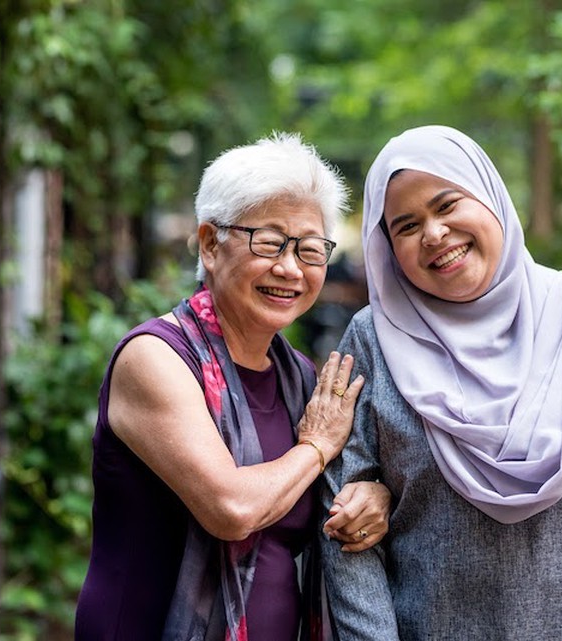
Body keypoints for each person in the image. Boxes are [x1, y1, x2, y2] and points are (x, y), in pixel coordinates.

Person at [320, 125, 562, 640]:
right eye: (406, 226)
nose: (435, 234)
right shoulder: (374, 342)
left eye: (447, 205)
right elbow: (344, 525)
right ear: (388, 249)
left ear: (490, 196)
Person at [75, 132, 391, 641]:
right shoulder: (156, 357)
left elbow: (325, 506)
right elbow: (232, 508)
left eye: (310, 250)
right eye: (268, 242)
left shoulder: (303, 380)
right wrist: (315, 448)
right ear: (209, 243)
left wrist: (372, 499)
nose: (290, 268)